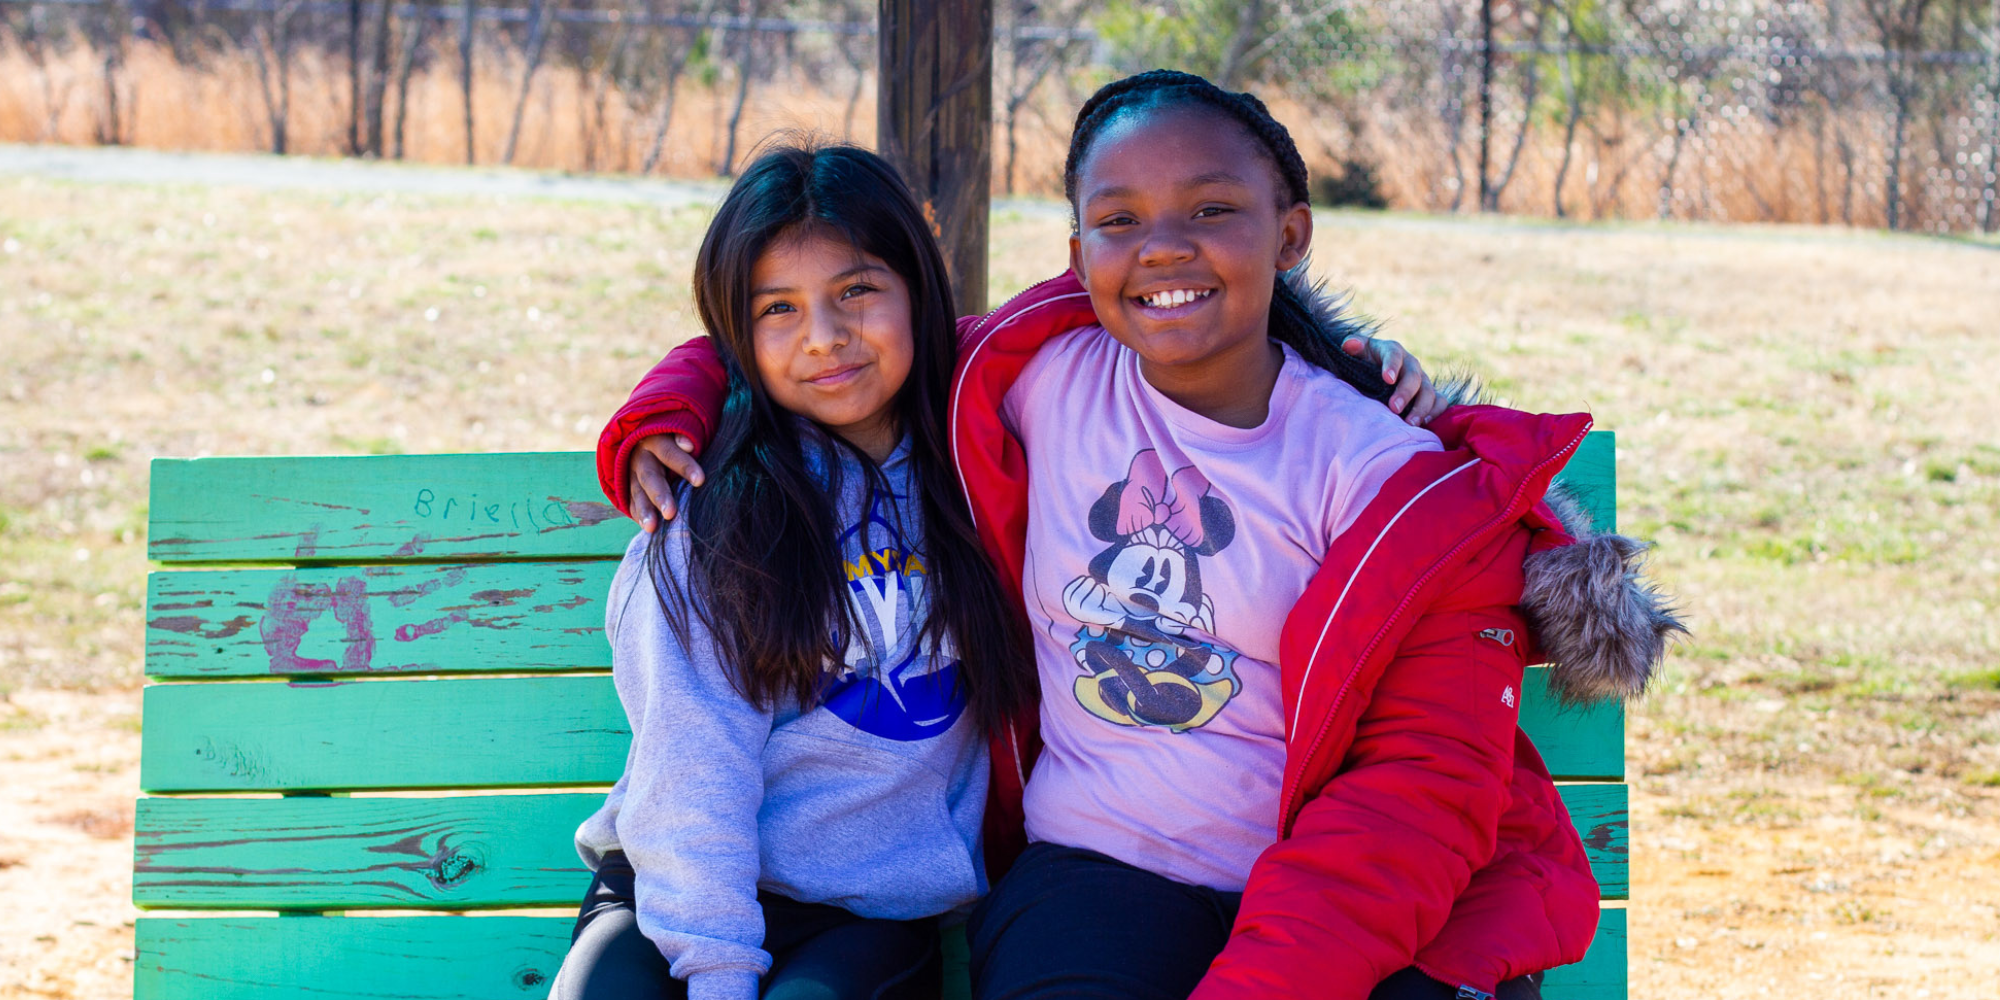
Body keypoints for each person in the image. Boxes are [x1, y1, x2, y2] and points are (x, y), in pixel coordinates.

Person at [594, 72, 1682, 1000]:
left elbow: (1417, 794)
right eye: (1118, 221)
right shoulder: (1030, 380)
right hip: (1090, 877)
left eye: (1211, 210)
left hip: (1349, 902)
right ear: (1078, 251)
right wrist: (675, 408)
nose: (1162, 249)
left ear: (1289, 232)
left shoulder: (1392, 480)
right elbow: (826, 335)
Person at [552, 142, 1042, 1000]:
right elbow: (690, 767)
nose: (825, 337)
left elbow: (1129, 312)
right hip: (671, 896)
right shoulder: (712, 513)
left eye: (856, 290)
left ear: (919, 291)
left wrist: (1344, 357)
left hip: (868, 913)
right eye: (777, 307)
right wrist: (719, 974)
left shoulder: (984, 460)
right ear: (737, 331)